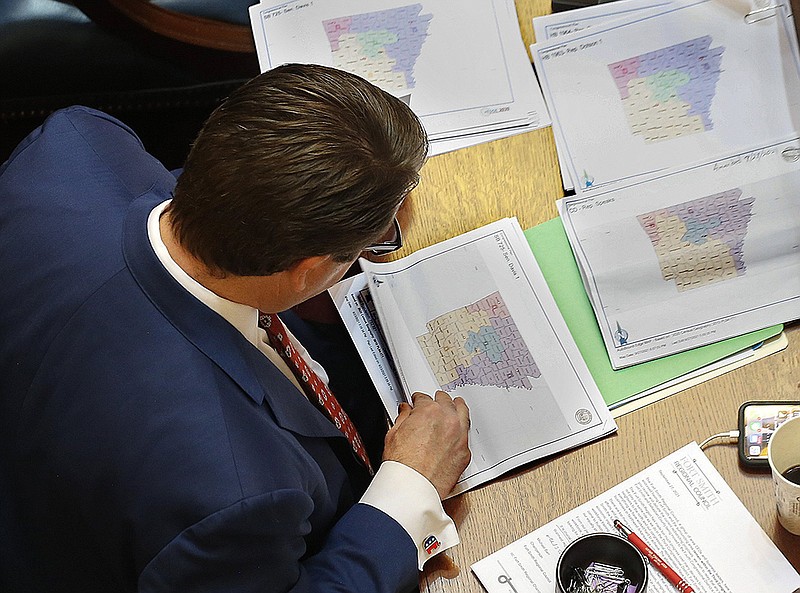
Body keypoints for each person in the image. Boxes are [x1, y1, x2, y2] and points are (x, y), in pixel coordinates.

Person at [0, 63, 471, 592]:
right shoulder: (234, 494)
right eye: (380, 236)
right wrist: (412, 486)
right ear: (311, 269)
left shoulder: (79, 143)